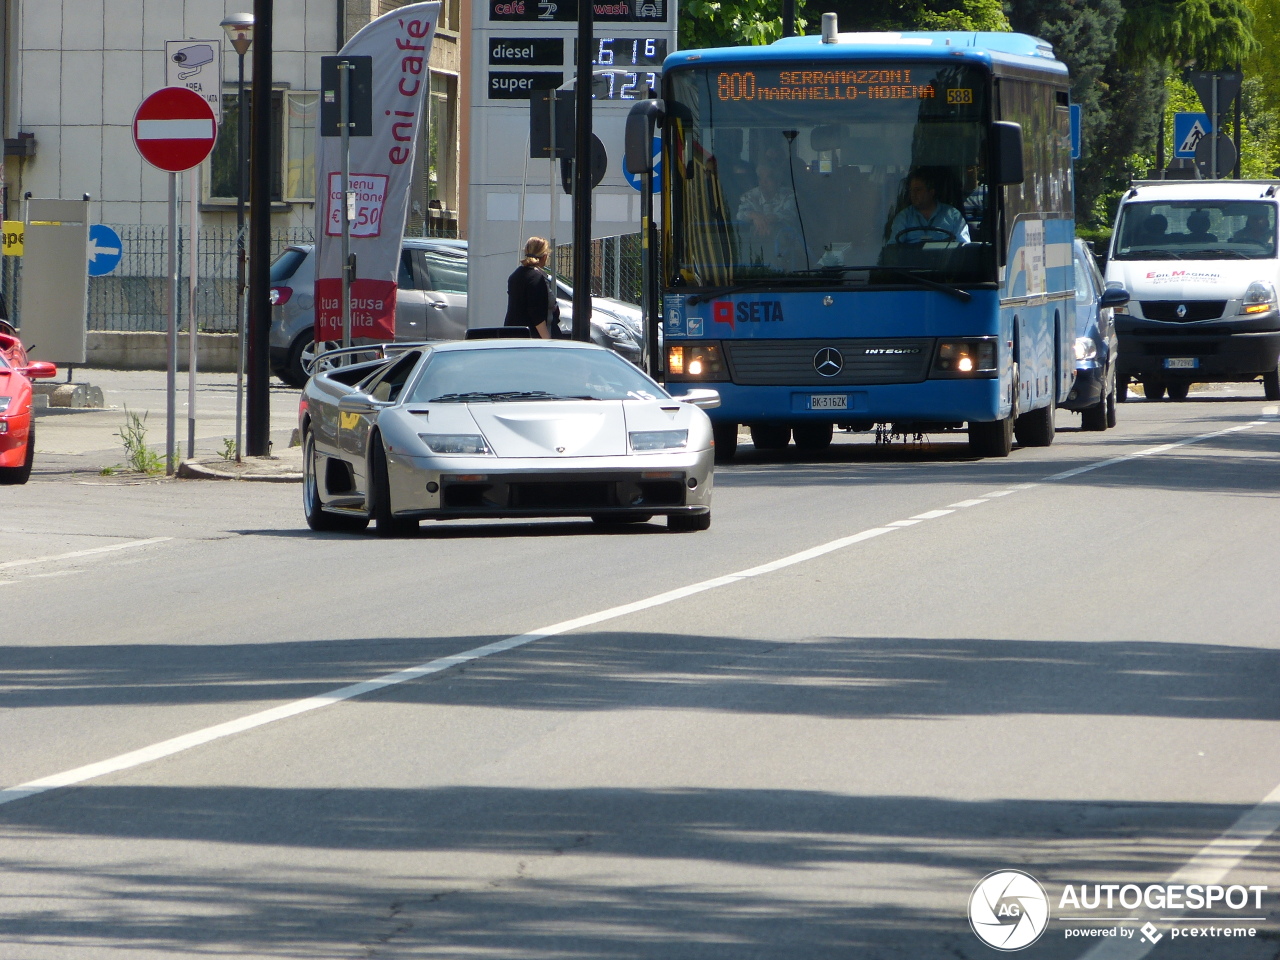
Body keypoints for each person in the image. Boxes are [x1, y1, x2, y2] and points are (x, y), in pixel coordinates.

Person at [735, 149, 803, 268]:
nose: (763, 183)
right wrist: (756, 216)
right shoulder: (749, 195)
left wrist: (767, 220)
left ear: (778, 180)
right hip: (755, 245)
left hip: (787, 246)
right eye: (760, 178)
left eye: (768, 178)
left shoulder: (790, 195)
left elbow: (789, 213)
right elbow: (740, 214)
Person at [888, 168, 970, 244]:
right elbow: (893, 249)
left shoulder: (953, 216)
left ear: (931, 192)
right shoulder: (903, 217)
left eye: (918, 190)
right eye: (911, 190)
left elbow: (964, 248)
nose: (913, 194)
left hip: (944, 259)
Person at [504, 237, 560, 338]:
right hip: (531, 339)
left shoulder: (516, 274)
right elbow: (536, 314)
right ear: (545, 256)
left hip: (513, 335)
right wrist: (548, 341)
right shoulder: (536, 278)